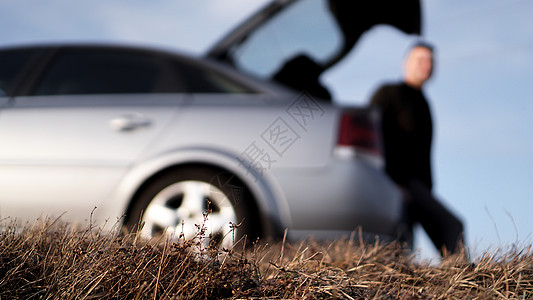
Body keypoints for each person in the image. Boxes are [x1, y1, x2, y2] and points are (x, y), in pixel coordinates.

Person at [370, 41, 464, 256]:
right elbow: (372, 134)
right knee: (452, 227)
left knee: (407, 243)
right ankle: (466, 283)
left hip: (420, 187)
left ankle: (456, 282)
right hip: (397, 181)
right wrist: (390, 181)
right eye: (420, 60)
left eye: (431, 61)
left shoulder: (424, 102)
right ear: (406, 63)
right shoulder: (388, 93)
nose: (427, 65)